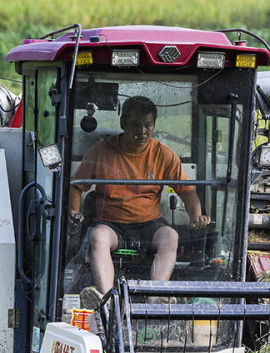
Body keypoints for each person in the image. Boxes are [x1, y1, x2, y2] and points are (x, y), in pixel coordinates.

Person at [69, 96, 209, 307]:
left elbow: (187, 192)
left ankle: (155, 299)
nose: (142, 131)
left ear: (154, 126)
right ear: (123, 123)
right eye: (135, 125)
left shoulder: (164, 155)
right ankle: (107, 301)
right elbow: (77, 186)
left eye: (148, 125)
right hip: (111, 224)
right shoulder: (100, 152)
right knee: (98, 237)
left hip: (149, 224)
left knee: (170, 236)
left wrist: (196, 215)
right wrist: (74, 211)